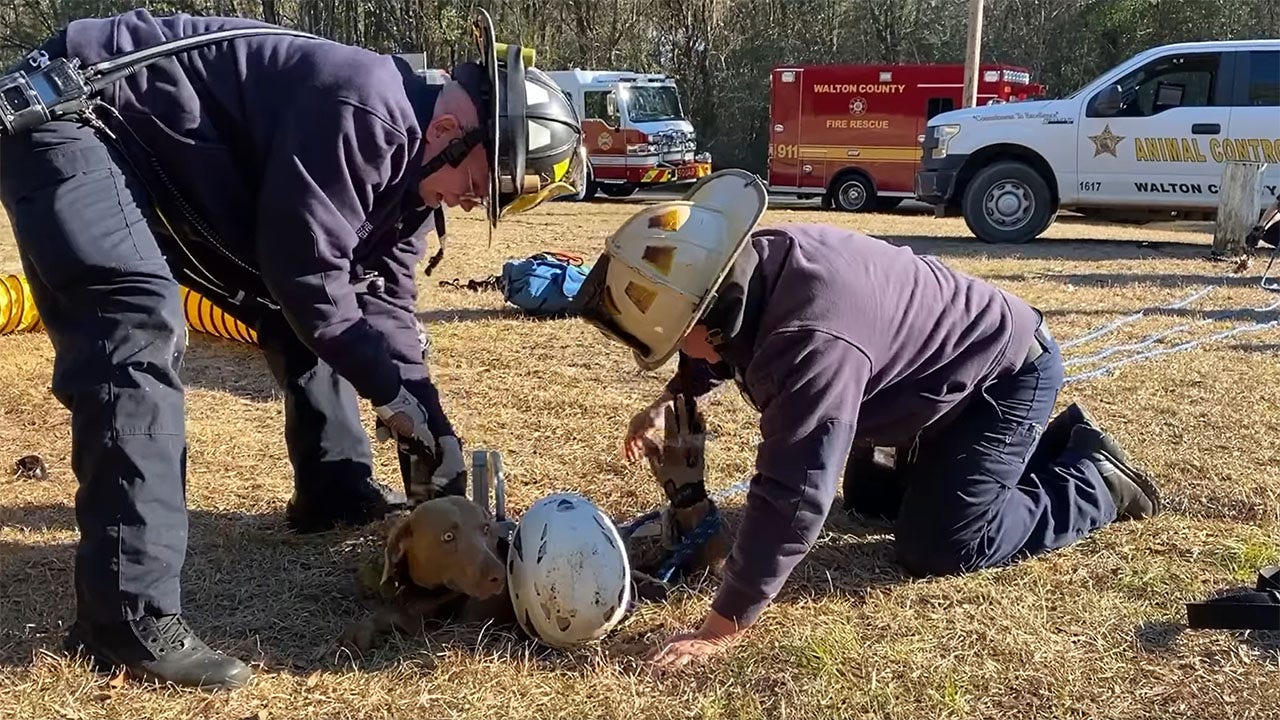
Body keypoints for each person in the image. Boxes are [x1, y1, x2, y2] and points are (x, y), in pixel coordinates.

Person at [0, 8, 584, 690]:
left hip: (154, 163)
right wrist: (388, 392)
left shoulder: (415, 168)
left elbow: (384, 306)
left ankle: (335, 491)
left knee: (313, 316)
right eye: (477, 187)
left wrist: (430, 420)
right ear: (452, 131)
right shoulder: (366, 109)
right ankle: (124, 622)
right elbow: (306, 275)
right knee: (136, 324)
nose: (464, 203)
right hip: (75, 116)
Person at [571, 169, 1162, 670]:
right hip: (923, 386)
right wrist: (671, 395)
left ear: (710, 316)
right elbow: (726, 345)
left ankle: (1095, 479)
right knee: (871, 499)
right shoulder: (749, 272)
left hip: (1000, 377)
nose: (685, 354)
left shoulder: (809, 339)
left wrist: (723, 626)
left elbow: (796, 491)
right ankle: (1009, 457)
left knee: (941, 545)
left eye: (682, 342)